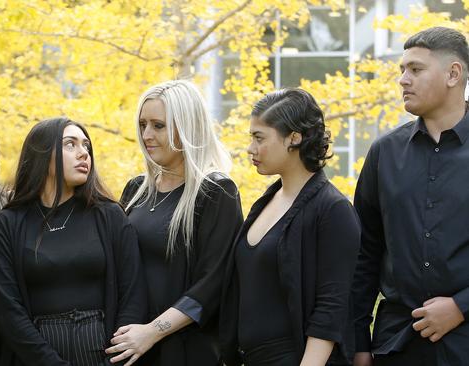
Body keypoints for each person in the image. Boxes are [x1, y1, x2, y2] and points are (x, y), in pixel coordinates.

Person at [352, 26, 469, 366]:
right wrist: (359, 341)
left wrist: (461, 307)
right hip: (396, 345)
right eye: (402, 70)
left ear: (453, 73)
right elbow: (365, 253)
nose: (403, 79)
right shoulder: (383, 153)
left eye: (415, 69)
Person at [0, 117, 146, 365]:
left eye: (86, 146)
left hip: (104, 353)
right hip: (35, 357)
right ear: (42, 154)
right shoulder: (8, 223)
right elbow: (7, 307)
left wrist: (116, 358)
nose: (83, 153)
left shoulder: (109, 215)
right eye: (70, 144)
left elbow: (133, 292)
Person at [219, 88, 360, 366]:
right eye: (251, 138)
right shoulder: (266, 201)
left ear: (294, 138)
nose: (251, 148)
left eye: (259, 138)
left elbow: (331, 308)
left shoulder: (332, 209)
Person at [107, 79, 243, 366]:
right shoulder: (136, 190)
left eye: (158, 125)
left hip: (184, 350)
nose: (147, 134)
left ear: (188, 127)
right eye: (143, 124)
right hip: (129, 345)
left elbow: (213, 283)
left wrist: (151, 333)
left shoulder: (215, 191)